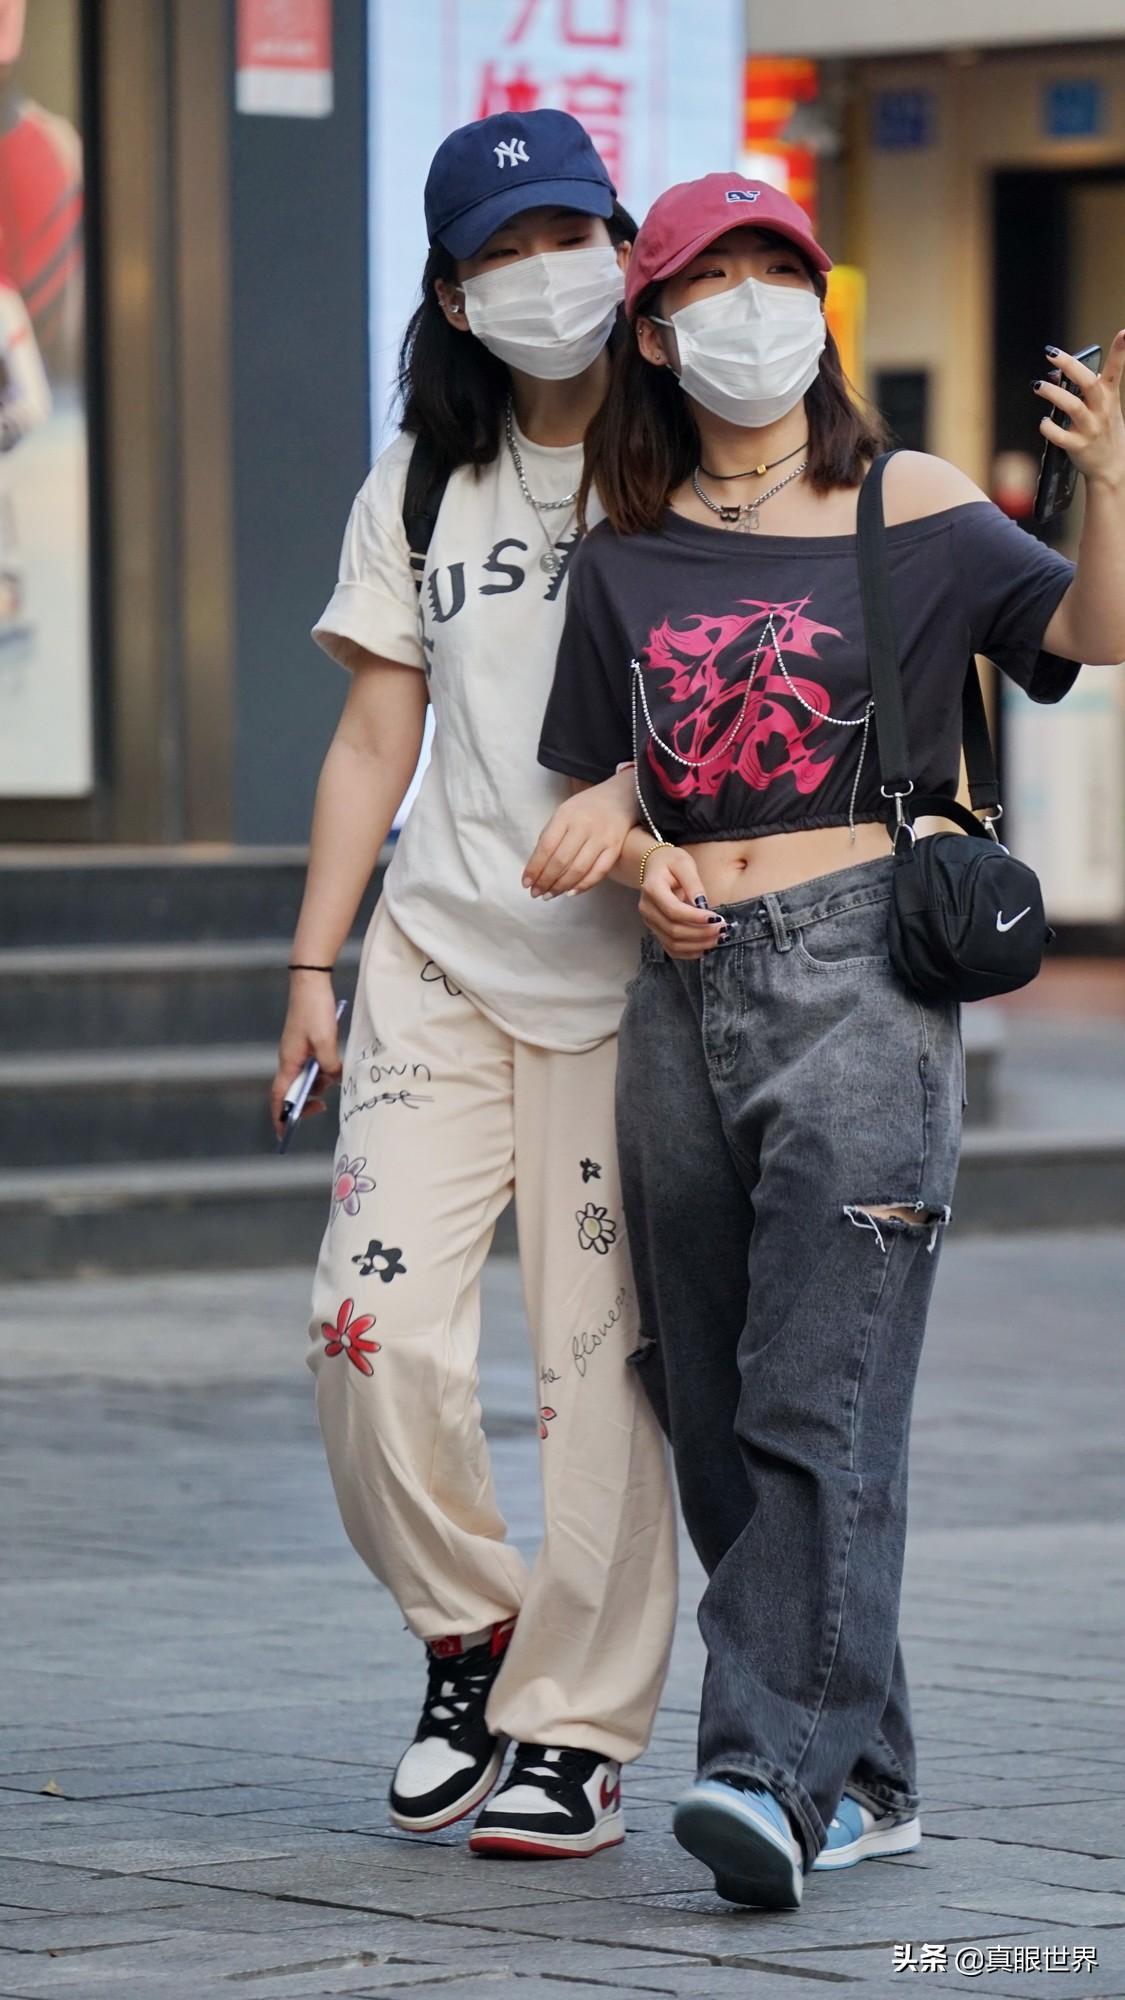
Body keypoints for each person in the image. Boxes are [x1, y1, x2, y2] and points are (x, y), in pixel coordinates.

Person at [531, 173, 1125, 1907]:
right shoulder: (621, 552)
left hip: (861, 975)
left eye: (772, 272)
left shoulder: (909, 506)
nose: (748, 306)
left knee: (818, 1392)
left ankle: (763, 1778)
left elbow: (1092, 634)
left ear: (815, 305)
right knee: (714, 1403)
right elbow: (610, 776)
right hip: (681, 990)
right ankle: (863, 1775)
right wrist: (632, 859)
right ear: (653, 335)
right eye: (707, 281)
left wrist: (1106, 480)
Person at [271, 110, 677, 1861]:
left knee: (597, 1380)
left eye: (567, 237)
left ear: (620, 245)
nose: (542, 276)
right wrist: (313, 957)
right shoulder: (420, 481)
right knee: (366, 1337)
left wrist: (633, 801)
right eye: (500, 255)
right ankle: (471, 1631)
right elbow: (378, 736)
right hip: (437, 959)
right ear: (450, 296)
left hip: (633, 983)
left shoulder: (693, 459)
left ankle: (573, 1731)